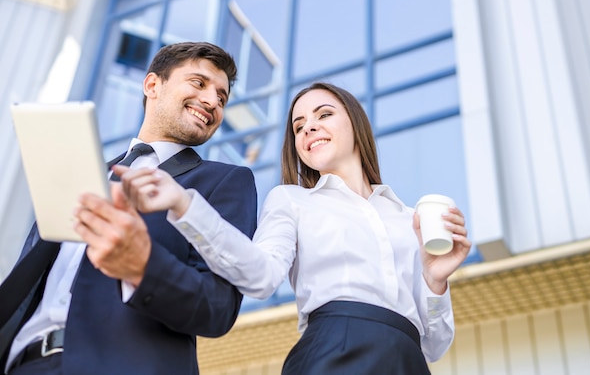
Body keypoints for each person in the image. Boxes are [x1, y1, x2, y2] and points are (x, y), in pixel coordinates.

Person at [102, 82, 471, 374]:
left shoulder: (409, 218)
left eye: (324, 114)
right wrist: (185, 205)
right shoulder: (293, 200)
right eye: (299, 126)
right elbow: (260, 276)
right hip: (334, 350)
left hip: (408, 360)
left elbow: (433, 346)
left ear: (356, 124)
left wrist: (435, 279)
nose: (309, 126)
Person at [0, 42, 258, 375]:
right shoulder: (81, 176)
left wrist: (141, 263)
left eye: (222, 98)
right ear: (153, 85)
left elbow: (217, 307)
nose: (212, 102)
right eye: (199, 83)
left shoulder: (224, 182)